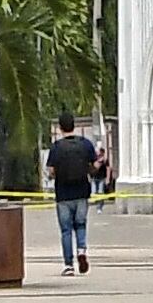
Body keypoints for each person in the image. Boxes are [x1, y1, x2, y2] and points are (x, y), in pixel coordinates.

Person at [44, 115, 102, 277]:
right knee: (81, 225)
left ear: (60, 128)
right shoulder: (85, 144)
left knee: (66, 230)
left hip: (63, 194)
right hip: (82, 192)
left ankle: (69, 265)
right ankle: (82, 251)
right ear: (74, 126)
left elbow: (51, 171)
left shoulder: (56, 147)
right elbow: (94, 166)